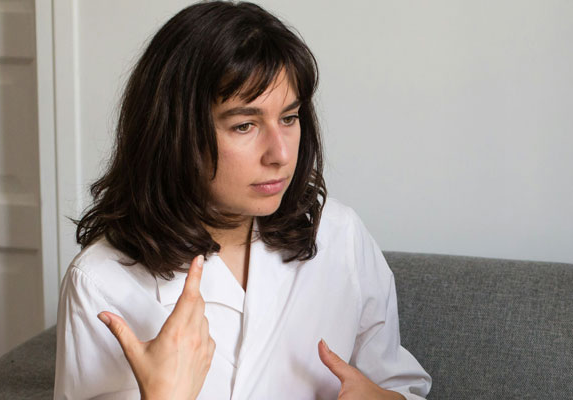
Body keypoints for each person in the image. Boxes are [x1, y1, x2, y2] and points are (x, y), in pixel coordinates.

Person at [54, 1, 431, 399]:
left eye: (289, 118)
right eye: (245, 125)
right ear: (176, 133)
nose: (281, 154)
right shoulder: (100, 282)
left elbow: (400, 384)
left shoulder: (340, 235)